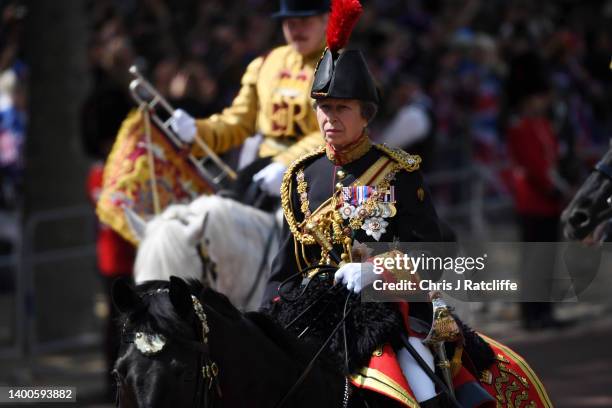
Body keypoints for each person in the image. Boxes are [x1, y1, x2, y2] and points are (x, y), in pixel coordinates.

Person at [261, 4, 495, 407]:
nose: (330, 119)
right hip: (314, 317)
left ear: (365, 115)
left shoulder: (397, 172)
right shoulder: (301, 175)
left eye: (341, 108)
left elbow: (433, 255)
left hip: (386, 314)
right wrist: (266, 322)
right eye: (324, 108)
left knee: (424, 392)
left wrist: (376, 271)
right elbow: (283, 270)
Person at [170, 0, 330, 199]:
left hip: (319, 175)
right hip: (264, 172)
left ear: (325, 20)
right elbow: (239, 122)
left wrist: (288, 162)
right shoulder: (267, 64)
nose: (297, 30)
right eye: (290, 23)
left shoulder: (340, 66)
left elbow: (335, 132)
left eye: (305, 21)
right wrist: (199, 131)